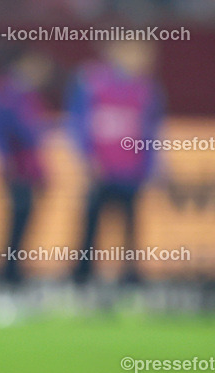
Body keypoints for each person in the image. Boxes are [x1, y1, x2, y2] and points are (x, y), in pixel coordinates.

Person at [66, 40, 163, 285]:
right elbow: (78, 123)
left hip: (130, 171)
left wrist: (151, 167)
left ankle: (129, 275)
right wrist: (88, 158)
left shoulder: (146, 89)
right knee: (92, 222)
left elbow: (151, 132)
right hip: (102, 169)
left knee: (130, 225)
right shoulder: (93, 83)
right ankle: (82, 275)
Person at [0, 51, 50, 285]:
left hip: (26, 170)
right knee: (16, 218)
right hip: (17, 170)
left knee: (22, 219)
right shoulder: (10, 96)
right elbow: (15, 133)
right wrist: (7, 162)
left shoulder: (26, 96)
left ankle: (13, 268)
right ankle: (8, 271)